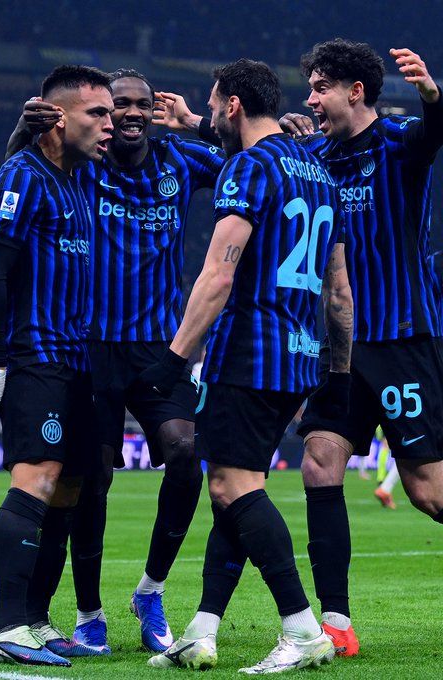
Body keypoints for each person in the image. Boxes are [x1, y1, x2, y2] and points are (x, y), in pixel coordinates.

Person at [155, 40, 443, 658]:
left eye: (319, 88)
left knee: (428, 491)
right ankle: (334, 620)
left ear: (355, 92)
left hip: (402, 338)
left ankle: (297, 624)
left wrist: (433, 95)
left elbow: (435, 130)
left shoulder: (401, 142)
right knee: (318, 463)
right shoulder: (315, 156)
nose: (309, 100)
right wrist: (197, 124)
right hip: (340, 346)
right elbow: (251, 155)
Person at [140, 57, 352, 674]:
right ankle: (201, 630)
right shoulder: (318, 172)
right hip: (300, 357)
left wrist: (174, 360)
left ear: (233, 104)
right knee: (234, 490)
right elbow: (339, 293)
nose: (208, 117)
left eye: (212, 107)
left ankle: (301, 628)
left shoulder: (248, 167)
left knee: (234, 488)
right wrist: (338, 374)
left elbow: (217, 274)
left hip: (248, 355)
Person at [6, 69, 226, 654]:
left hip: (161, 349)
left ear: (154, 111)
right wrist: (23, 129)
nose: (129, 113)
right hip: (91, 347)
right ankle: (88, 613)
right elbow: (28, 168)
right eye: (117, 104)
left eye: (140, 104)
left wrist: (199, 124)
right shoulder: (86, 160)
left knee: (186, 453)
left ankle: (150, 589)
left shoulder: (181, 160)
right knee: (91, 477)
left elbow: (251, 161)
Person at [0, 65, 113, 666]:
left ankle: (34, 618)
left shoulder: (78, 179)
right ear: (56, 117)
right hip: (35, 357)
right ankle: (4, 628)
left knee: (68, 490)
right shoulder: (22, 175)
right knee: (36, 479)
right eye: (97, 114)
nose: (109, 125)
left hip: (76, 362)